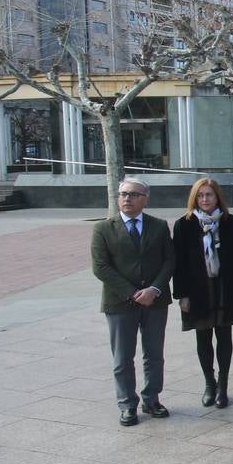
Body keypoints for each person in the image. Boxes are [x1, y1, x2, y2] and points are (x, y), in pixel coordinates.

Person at [90, 177, 174, 426]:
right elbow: (100, 267)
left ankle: (151, 398)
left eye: (134, 194)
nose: (127, 198)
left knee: (154, 354)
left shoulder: (158, 226)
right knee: (123, 357)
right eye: (123, 194)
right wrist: (132, 292)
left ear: (145, 199)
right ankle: (127, 404)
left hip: (155, 301)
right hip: (119, 303)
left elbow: (169, 260)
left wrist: (155, 289)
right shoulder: (103, 228)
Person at [172, 177, 233, 409]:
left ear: (218, 197)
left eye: (209, 195)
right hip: (198, 289)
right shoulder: (184, 224)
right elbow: (179, 263)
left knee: (225, 337)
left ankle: (223, 385)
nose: (205, 199)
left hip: (225, 287)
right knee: (203, 337)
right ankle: (209, 383)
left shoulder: (232, 222)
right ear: (195, 198)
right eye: (201, 195)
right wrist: (182, 294)